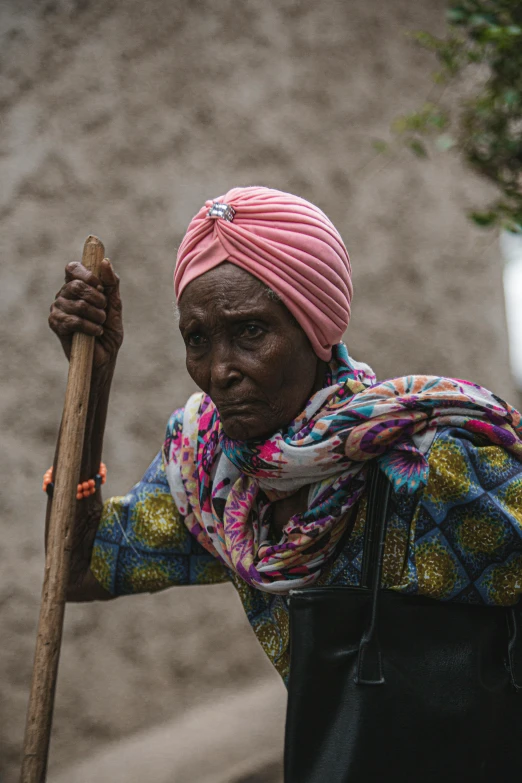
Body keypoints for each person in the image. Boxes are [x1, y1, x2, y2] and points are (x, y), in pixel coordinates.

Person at [48, 186, 522, 683]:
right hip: (349, 762)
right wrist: (95, 379)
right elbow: (75, 568)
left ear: (317, 330)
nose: (220, 371)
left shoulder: (425, 464)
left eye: (251, 332)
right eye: (198, 340)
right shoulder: (215, 478)